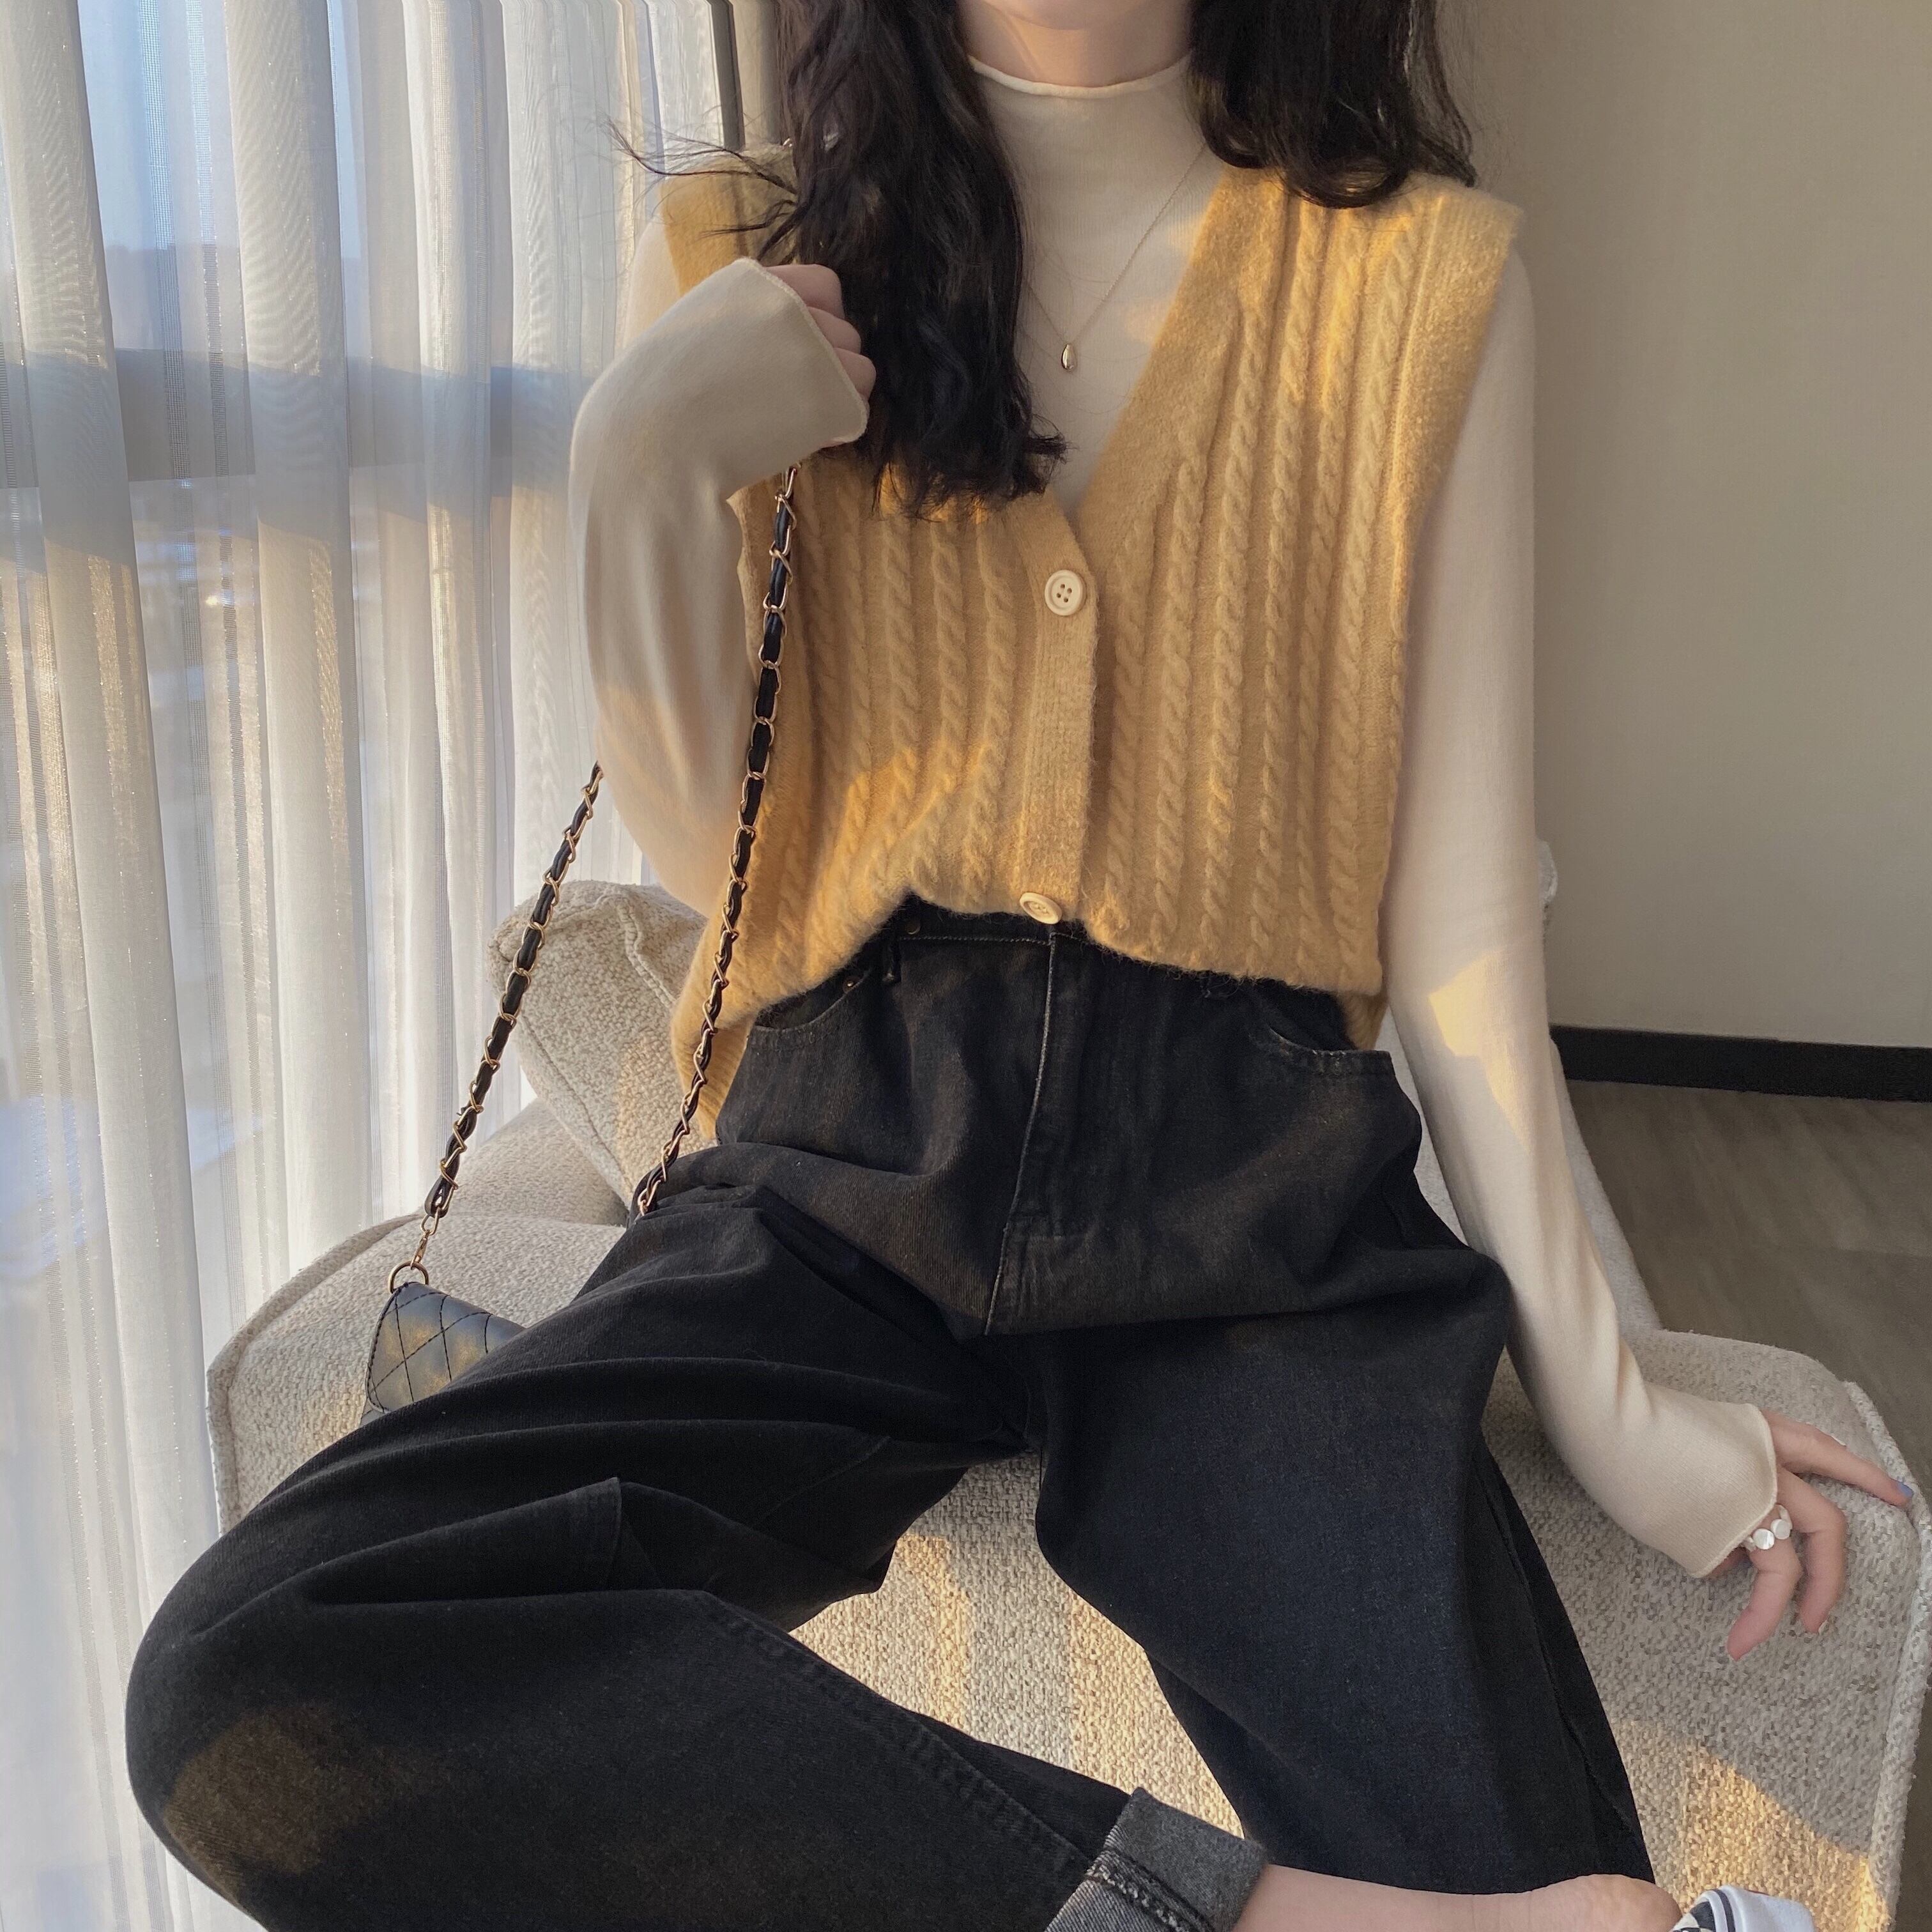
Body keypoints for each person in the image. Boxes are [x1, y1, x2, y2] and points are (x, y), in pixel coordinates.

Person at [122, 4, 1912, 1930]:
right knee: (252, 1678)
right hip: (843, 1169)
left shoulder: (1418, 282)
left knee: (1534, 1877)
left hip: (1254, 1202)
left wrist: (1619, 1410)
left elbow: (1461, 925)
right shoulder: (743, 257)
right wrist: (637, 463)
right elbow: (735, 871)